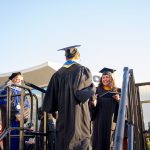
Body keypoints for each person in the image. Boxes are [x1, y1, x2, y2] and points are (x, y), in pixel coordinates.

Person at [42, 45, 96, 150]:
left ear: (66, 57)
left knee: (63, 142)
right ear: (77, 56)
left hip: (62, 119)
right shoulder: (82, 70)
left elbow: (50, 103)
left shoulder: (57, 74)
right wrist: (93, 88)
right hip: (79, 117)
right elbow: (81, 95)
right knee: (80, 141)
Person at [91, 67, 120, 150]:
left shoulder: (117, 90)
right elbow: (91, 106)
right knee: (97, 140)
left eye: (107, 77)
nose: (105, 79)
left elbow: (124, 107)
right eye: (103, 77)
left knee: (109, 141)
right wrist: (93, 103)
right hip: (98, 121)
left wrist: (118, 100)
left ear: (111, 78)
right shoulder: (96, 90)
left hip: (110, 121)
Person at [0, 72, 30, 150]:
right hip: (10, 122)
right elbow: (5, 103)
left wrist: (24, 116)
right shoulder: (6, 90)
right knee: (11, 143)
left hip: (20, 123)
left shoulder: (23, 92)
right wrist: (16, 115)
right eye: (16, 78)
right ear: (12, 79)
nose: (18, 80)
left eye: (20, 79)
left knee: (20, 143)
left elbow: (27, 106)